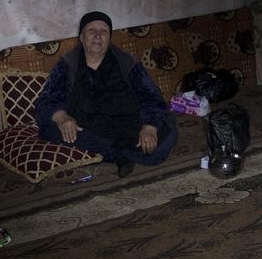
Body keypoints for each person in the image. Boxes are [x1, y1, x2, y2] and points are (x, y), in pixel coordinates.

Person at [34, 11, 178, 177]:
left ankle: (112, 154)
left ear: (109, 39)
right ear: (81, 37)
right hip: (86, 126)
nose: (97, 36)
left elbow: (151, 97)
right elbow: (45, 101)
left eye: (103, 32)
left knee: (160, 142)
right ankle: (121, 155)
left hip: (127, 124)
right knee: (49, 130)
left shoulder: (127, 63)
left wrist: (149, 126)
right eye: (91, 31)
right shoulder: (67, 64)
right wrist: (61, 117)